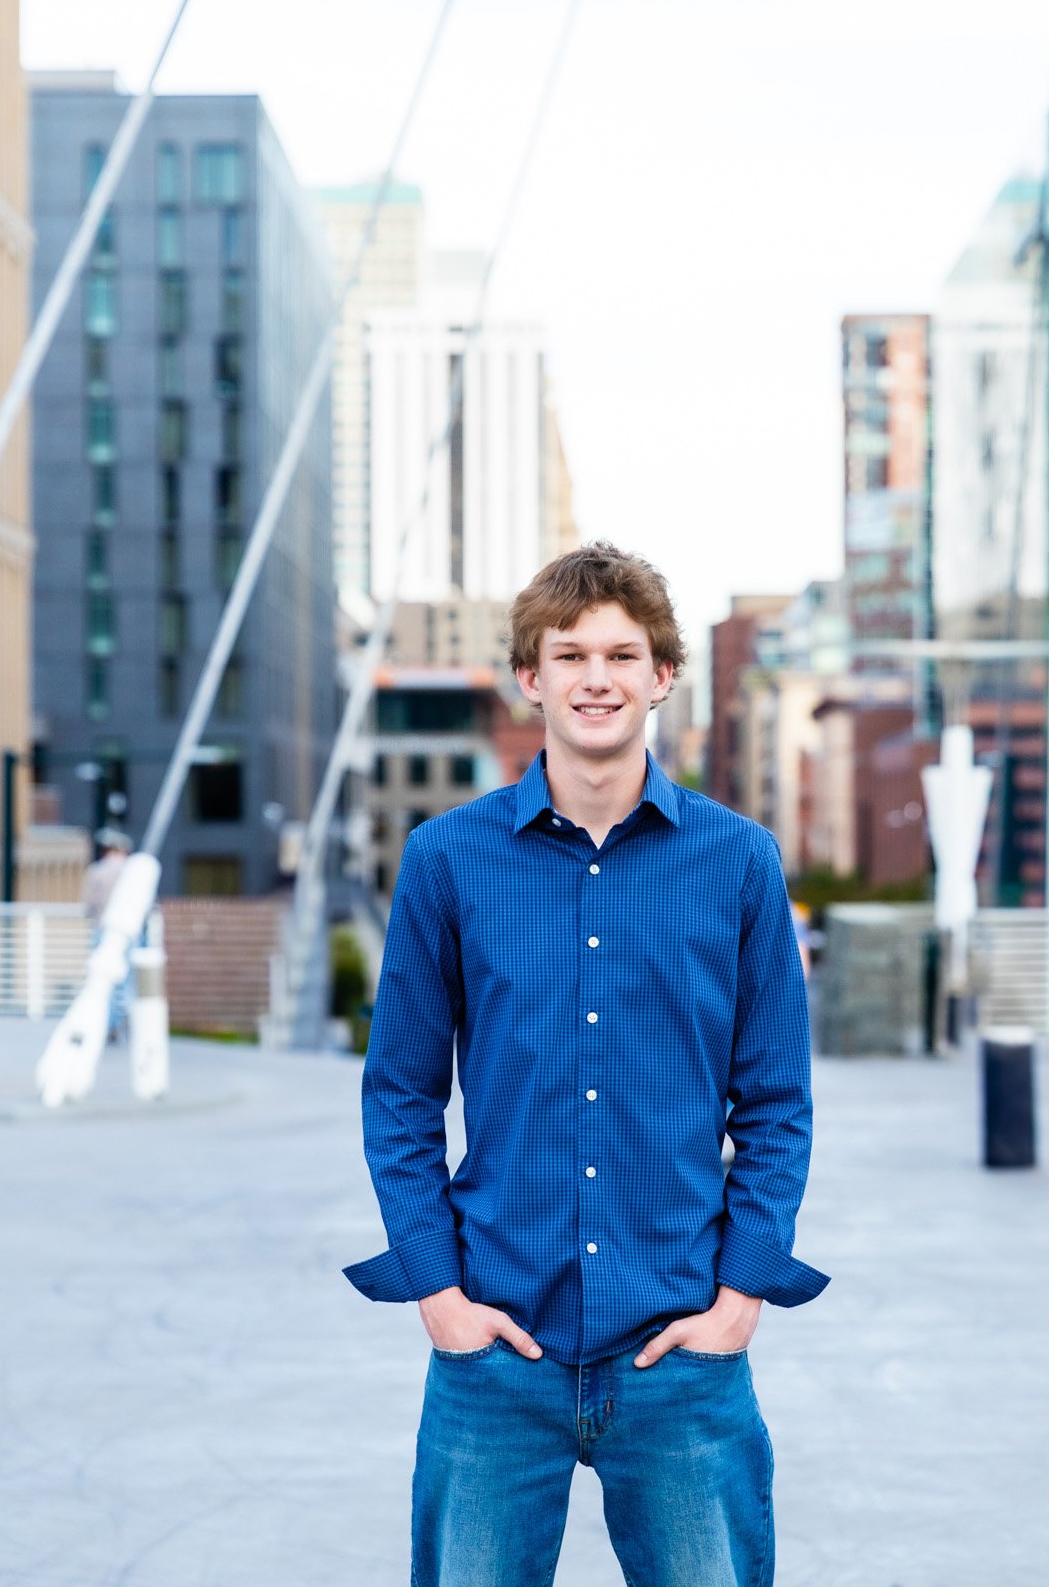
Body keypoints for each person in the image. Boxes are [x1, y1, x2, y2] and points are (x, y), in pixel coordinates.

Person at [346, 543, 827, 1586]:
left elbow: (776, 1103)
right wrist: (439, 1293)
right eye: (569, 655)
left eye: (621, 654)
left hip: (681, 1351)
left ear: (663, 674)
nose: (595, 678)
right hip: (494, 1353)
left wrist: (739, 1297)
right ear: (531, 676)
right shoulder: (446, 860)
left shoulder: (739, 862)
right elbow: (399, 1097)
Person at [81, 828, 132, 1043]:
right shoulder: (131, 872)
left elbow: (88, 905)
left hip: (102, 929)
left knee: (102, 979)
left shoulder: (97, 871)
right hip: (128, 933)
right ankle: (121, 1020)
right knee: (126, 980)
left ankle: (106, 1023)